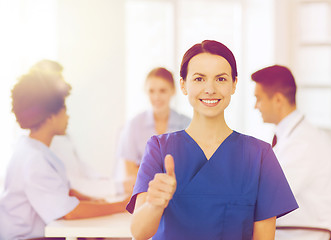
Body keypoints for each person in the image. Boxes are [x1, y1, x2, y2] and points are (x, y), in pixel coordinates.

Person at [126, 40, 298, 240]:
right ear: (183, 85)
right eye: (199, 79)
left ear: (234, 84)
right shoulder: (159, 148)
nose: (210, 89)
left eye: (221, 79)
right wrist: (154, 205)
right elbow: (138, 233)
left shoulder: (260, 155)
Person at [0, 70, 128, 240]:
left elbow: (65, 192)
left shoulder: (34, 149)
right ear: (51, 116)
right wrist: (121, 206)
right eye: (64, 109)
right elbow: (69, 212)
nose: (67, 116)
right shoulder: (34, 159)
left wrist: (97, 201)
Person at [251, 65, 331, 240]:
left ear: (278, 100)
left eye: (259, 99)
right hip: (295, 225)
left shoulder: (301, 143)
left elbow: (268, 196)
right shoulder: (295, 135)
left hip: (306, 232)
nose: (256, 106)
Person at [30, 59, 120, 198]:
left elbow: (79, 165)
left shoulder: (60, 127)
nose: (63, 84)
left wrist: (103, 181)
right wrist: (115, 187)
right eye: (58, 79)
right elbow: (69, 183)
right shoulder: (43, 136)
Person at [115, 67, 190, 194]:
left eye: (162, 91)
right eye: (151, 91)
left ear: (173, 91)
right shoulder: (134, 125)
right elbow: (130, 172)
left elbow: (190, 169)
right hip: (143, 192)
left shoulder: (187, 124)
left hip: (179, 192)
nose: (156, 97)